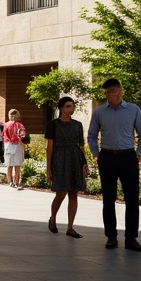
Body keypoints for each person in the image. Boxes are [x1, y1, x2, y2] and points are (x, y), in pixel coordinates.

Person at [88, 78, 141, 252]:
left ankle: (131, 238)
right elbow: (92, 135)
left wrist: (138, 154)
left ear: (120, 92)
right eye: (106, 91)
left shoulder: (133, 110)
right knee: (108, 199)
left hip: (128, 156)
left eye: (112, 90)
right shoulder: (99, 112)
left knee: (132, 199)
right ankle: (111, 236)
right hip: (107, 157)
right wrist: (96, 154)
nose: (108, 94)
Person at [46, 96, 89, 238]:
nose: (72, 109)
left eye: (73, 106)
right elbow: (49, 147)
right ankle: (53, 218)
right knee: (61, 192)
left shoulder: (77, 124)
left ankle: (70, 227)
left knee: (73, 193)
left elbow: (81, 145)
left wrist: (85, 164)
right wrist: (49, 168)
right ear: (61, 108)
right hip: (59, 159)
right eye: (68, 106)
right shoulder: (53, 124)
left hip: (75, 159)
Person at [2, 109, 27, 189]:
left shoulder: (6, 125)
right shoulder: (20, 125)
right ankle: (16, 182)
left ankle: (10, 182)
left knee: (9, 165)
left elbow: (3, 135)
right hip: (18, 146)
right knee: (17, 165)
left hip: (8, 145)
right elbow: (22, 135)